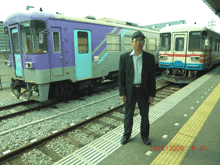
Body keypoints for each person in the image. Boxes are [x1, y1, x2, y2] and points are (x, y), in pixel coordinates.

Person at [118, 31, 156, 145]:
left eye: (141, 40)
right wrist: (122, 93)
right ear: (132, 42)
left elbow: (152, 78)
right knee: (128, 115)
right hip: (130, 91)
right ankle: (126, 136)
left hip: (143, 91)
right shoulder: (124, 57)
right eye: (136, 40)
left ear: (144, 42)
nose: (138, 43)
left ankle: (145, 136)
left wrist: (152, 94)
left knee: (145, 115)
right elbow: (121, 77)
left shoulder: (149, 58)